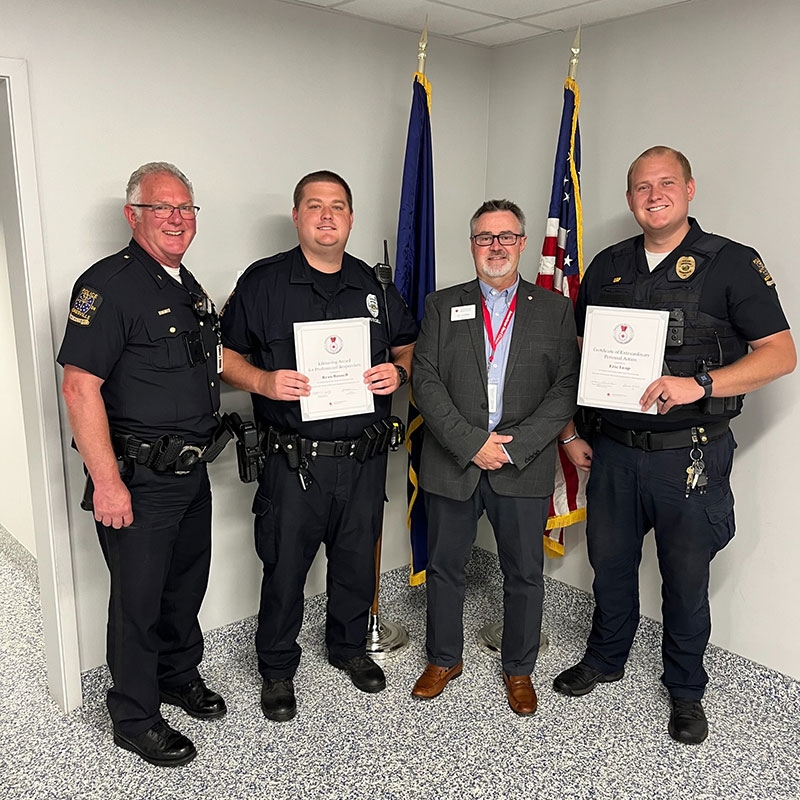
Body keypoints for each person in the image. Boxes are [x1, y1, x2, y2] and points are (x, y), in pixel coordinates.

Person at [553, 146, 796, 744]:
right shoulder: (608, 265)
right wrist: (576, 430)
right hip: (611, 451)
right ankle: (607, 658)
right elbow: (583, 356)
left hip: (689, 454)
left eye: (666, 183)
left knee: (685, 579)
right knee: (610, 567)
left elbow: (781, 354)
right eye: (640, 186)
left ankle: (686, 689)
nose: (652, 194)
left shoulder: (733, 264)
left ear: (690, 189)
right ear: (629, 197)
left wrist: (701, 383)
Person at [219, 170, 417, 722]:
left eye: (337, 206)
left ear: (350, 219)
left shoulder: (374, 286)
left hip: (363, 458)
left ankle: (350, 648)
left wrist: (396, 375)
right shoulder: (263, 283)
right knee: (283, 568)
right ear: (297, 216)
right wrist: (263, 382)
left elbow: (409, 347)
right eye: (314, 206)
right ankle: (278, 669)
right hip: (293, 462)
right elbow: (223, 356)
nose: (326, 216)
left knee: (356, 562)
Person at [58, 163, 229, 766]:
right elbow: (79, 387)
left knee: (185, 586)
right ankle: (133, 714)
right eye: (163, 208)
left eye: (186, 207)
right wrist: (107, 483)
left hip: (190, 472)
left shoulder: (185, 285)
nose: (178, 218)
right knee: (138, 599)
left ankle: (178, 676)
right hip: (138, 479)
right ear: (134, 215)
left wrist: (268, 379)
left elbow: (209, 360)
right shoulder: (107, 286)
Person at [410, 199, 580, 715]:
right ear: (472, 246)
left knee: (524, 573)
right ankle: (444, 658)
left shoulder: (554, 309)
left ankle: (519, 668)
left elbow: (565, 387)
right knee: (445, 568)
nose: (496, 247)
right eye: (485, 237)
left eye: (506, 237)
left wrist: (516, 445)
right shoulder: (442, 305)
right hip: (453, 459)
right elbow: (425, 380)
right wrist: (470, 443)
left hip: (521, 463)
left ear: (524, 243)